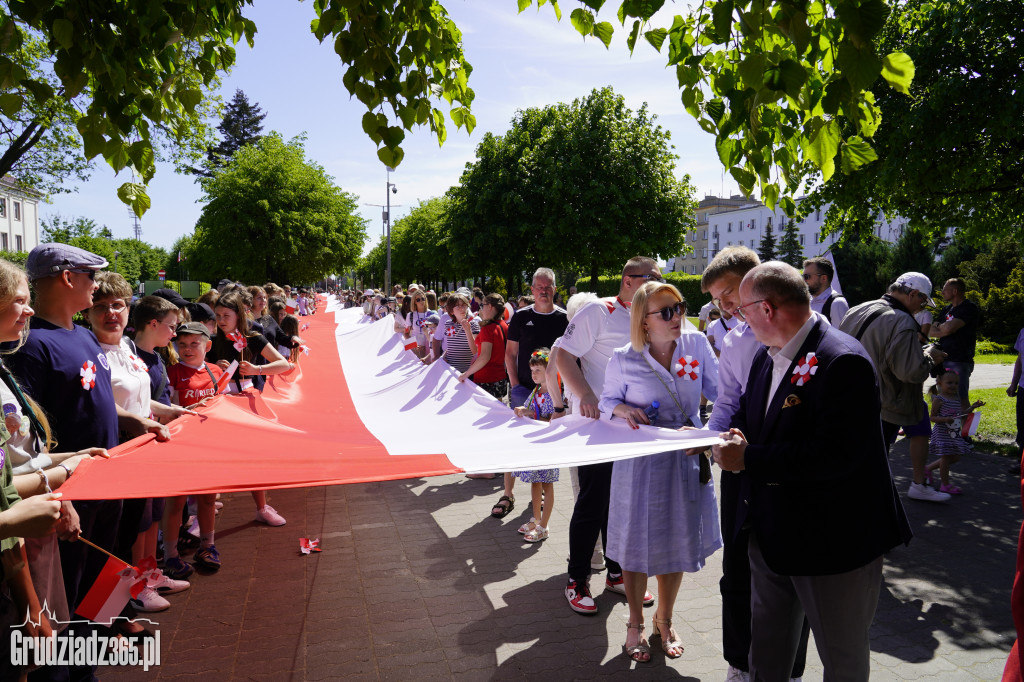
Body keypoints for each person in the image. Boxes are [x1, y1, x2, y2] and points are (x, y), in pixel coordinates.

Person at [713, 261, 912, 681]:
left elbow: (837, 456)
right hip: (773, 533)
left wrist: (748, 458)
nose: (736, 317)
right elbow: (760, 425)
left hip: (834, 542)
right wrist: (733, 438)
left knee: (841, 658)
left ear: (767, 309)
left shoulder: (843, 360)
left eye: (742, 309)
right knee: (766, 651)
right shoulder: (768, 356)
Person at [7, 243, 122, 682]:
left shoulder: (83, 335)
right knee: (63, 598)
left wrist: (143, 417)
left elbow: (97, 401)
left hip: (103, 486)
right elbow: (29, 439)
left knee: (96, 589)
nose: (96, 285)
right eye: (90, 276)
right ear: (67, 278)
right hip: (69, 496)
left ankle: (86, 671)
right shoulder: (31, 347)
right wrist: (60, 496)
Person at [702, 246, 814, 682]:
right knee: (736, 569)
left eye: (729, 294)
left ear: (756, 282)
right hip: (740, 467)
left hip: (782, 471)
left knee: (788, 573)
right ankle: (738, 661)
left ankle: (791, 668)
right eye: (717, 300)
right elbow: (727, 400)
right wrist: (711, 439)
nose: (725, 307)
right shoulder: (732, 341)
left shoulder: (800, 335)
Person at [599, 281, 722, 662]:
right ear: (644, 321)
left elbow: (723, 394)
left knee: (678, 544)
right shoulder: (624, 357)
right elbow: (605, 401)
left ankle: (664, 620)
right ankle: (634, 623)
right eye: (665, 312)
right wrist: (621, 410)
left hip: (684, 461)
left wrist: (710, 434)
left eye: (679, 307)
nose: (677, 317)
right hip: (638, 468)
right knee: (636, 549)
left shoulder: (696, 345)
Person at [553, 257, 660, 616]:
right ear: (630, 280)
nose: (659, 283)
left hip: (634, 430)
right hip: (598, 428)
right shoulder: (599, 311)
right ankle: (577, 578)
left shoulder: (651, 315)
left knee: (623, 504)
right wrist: (583, 394)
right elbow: (562, 354)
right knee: (593, 503)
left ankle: (616, 572)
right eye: (653, 277)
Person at [839, 272, 951, 503]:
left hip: (846, 400)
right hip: (880, 406)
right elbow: (909, 372)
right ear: (912, 294)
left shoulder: (858, 308)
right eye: (922, 301)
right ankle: (867, 520)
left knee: (851, 462)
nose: (920, 308)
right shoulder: (903, 320)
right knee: (872, 466)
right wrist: (929, 357)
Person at [210, 290, 292, 526]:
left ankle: (261, 507)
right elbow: (198, 369)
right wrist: (214, 366)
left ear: (239, 315)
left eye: (226, 315)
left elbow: (283, 364)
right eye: (218, 315)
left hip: (247, 401)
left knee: (253, 458)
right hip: (221, 403)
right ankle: (204, 510)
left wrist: (257, 370)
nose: (221, 320)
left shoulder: (254, 337)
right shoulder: (212, 340)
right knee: (217, 458)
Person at [493, 268, 567, 519]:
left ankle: (543, 492)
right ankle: (508, 493)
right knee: (514, 444)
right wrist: (515, 386)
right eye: (539, 287)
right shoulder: (521, 316)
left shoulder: (565, 319)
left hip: (553, 394)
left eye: (548, 287)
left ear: (555, 289)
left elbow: (572, 358)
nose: (544, 291)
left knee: (547, 443)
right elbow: (510, 354)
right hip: (524, 388)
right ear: (532, 289)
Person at [165, 322, 225, 571]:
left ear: (207, 345)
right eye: (182, 344)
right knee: (176, 502)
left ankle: (207, 545)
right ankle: (169, 554)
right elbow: (166, 411)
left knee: (208, 499)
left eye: (194, 344)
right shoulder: (172, 372)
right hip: (181, 445)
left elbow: (224, 404)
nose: (187, 349)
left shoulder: (215, 371)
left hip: (209, 445)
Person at [510, 348, 559, 543]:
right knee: (535, 482)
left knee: (547, 484)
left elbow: (554, 418)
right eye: (532, 370)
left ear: (549, 371)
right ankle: (536, 518)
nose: (534, 374)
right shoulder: (536, 391)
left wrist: (533, 415)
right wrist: (524, 410)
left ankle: (544, 525)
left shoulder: (555, 394)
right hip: (536, 446)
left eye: (538, 370)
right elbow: (532, 409)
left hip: (547, 447)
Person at [926, 369, 984, 494]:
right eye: (950, 383)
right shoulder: (939, 399)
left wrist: (972, 407)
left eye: (956, 383)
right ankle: (945, 485)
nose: (954, 386)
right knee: (946, 458)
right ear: (940, 383)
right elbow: (932, 417)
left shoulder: (955, 398)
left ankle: (928, 469)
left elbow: (960, 414)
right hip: (943, 433)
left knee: (956, 457)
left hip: (954, 433)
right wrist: (944, 419)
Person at [931, 277, 981, 402]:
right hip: (942, 359)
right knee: (943, 399)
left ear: (954, 291)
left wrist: (941, 328)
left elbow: (949, 329)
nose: (942, 293)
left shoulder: (969, 308)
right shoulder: (946, 309)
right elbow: (931, 330)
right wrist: (942, 328)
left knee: (960, 399)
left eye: (944, 290)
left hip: (960, 360)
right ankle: (945, 422)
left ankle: (963, 421)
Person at [457, 293, 508, 400]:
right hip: (500, 378)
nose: (481, 310)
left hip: (486, 379)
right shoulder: (504, 325)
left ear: (489, 306)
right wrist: (468, 330)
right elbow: (476, 351)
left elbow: (484, 356)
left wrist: (466, 374)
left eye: (482, 306)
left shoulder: (488, 328)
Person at [429, 293, 479, 374]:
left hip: (468, 371)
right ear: (452, 311)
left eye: (464, 305)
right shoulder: (449, 324)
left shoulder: (473, 324)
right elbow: (451, 345)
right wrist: (442, 357)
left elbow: (475, 351)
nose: (462, 308)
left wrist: (468, 330)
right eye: (458, 306)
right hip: (451, 369)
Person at [803, 256, 848, 326]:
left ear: (823, 278)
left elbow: (842, 335)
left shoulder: (837, 303)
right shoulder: (808, 301)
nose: (804, 280)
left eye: (807, 276)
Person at [1010, 327, 1024, 460]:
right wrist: (1014, 383)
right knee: (1022, 426)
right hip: (1023, 387)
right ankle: (1022, 463)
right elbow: (1020, 359)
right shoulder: (1023, 331)